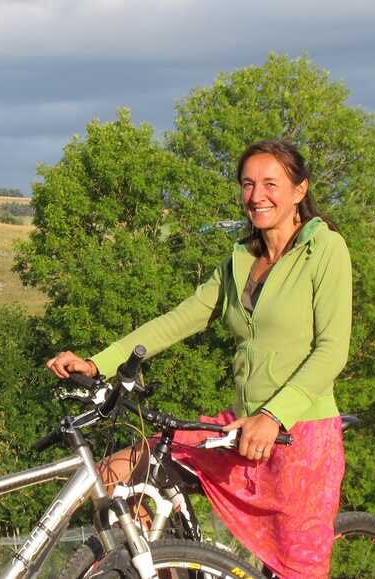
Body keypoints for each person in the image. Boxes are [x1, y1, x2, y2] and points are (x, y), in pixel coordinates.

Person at [46, 139, 352, 579]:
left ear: (300, 190)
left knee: (295, 571)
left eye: (270, 184)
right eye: (248, 184)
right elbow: (179, 319)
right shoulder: (240, 261)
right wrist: (100, 363)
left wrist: (273, 416)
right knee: (119, 472)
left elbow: (332, 350)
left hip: (298, 436)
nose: (256, 196)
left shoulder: (325, 250)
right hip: (238, 428)